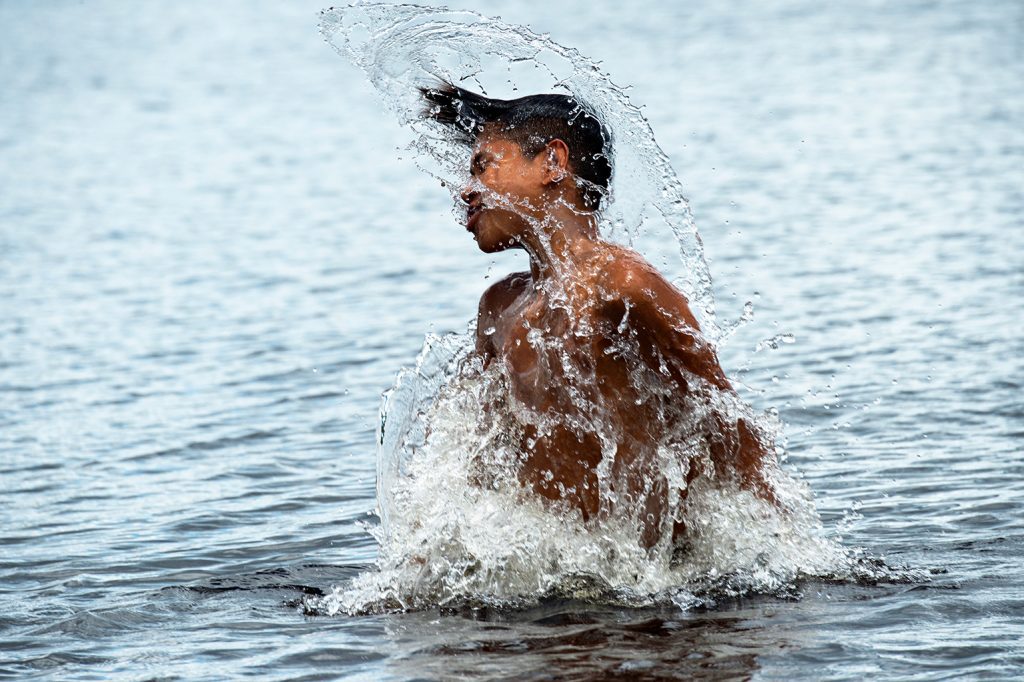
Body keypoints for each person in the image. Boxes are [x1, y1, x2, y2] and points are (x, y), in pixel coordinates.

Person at [421, 82, 777, 549]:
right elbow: (478, 456)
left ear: (553, 162)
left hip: (650, 578)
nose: (466, 191)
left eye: (483, 166)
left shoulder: (623, 285)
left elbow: (725, 418)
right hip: (561, 569)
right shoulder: (499, 306)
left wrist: (771, 541)